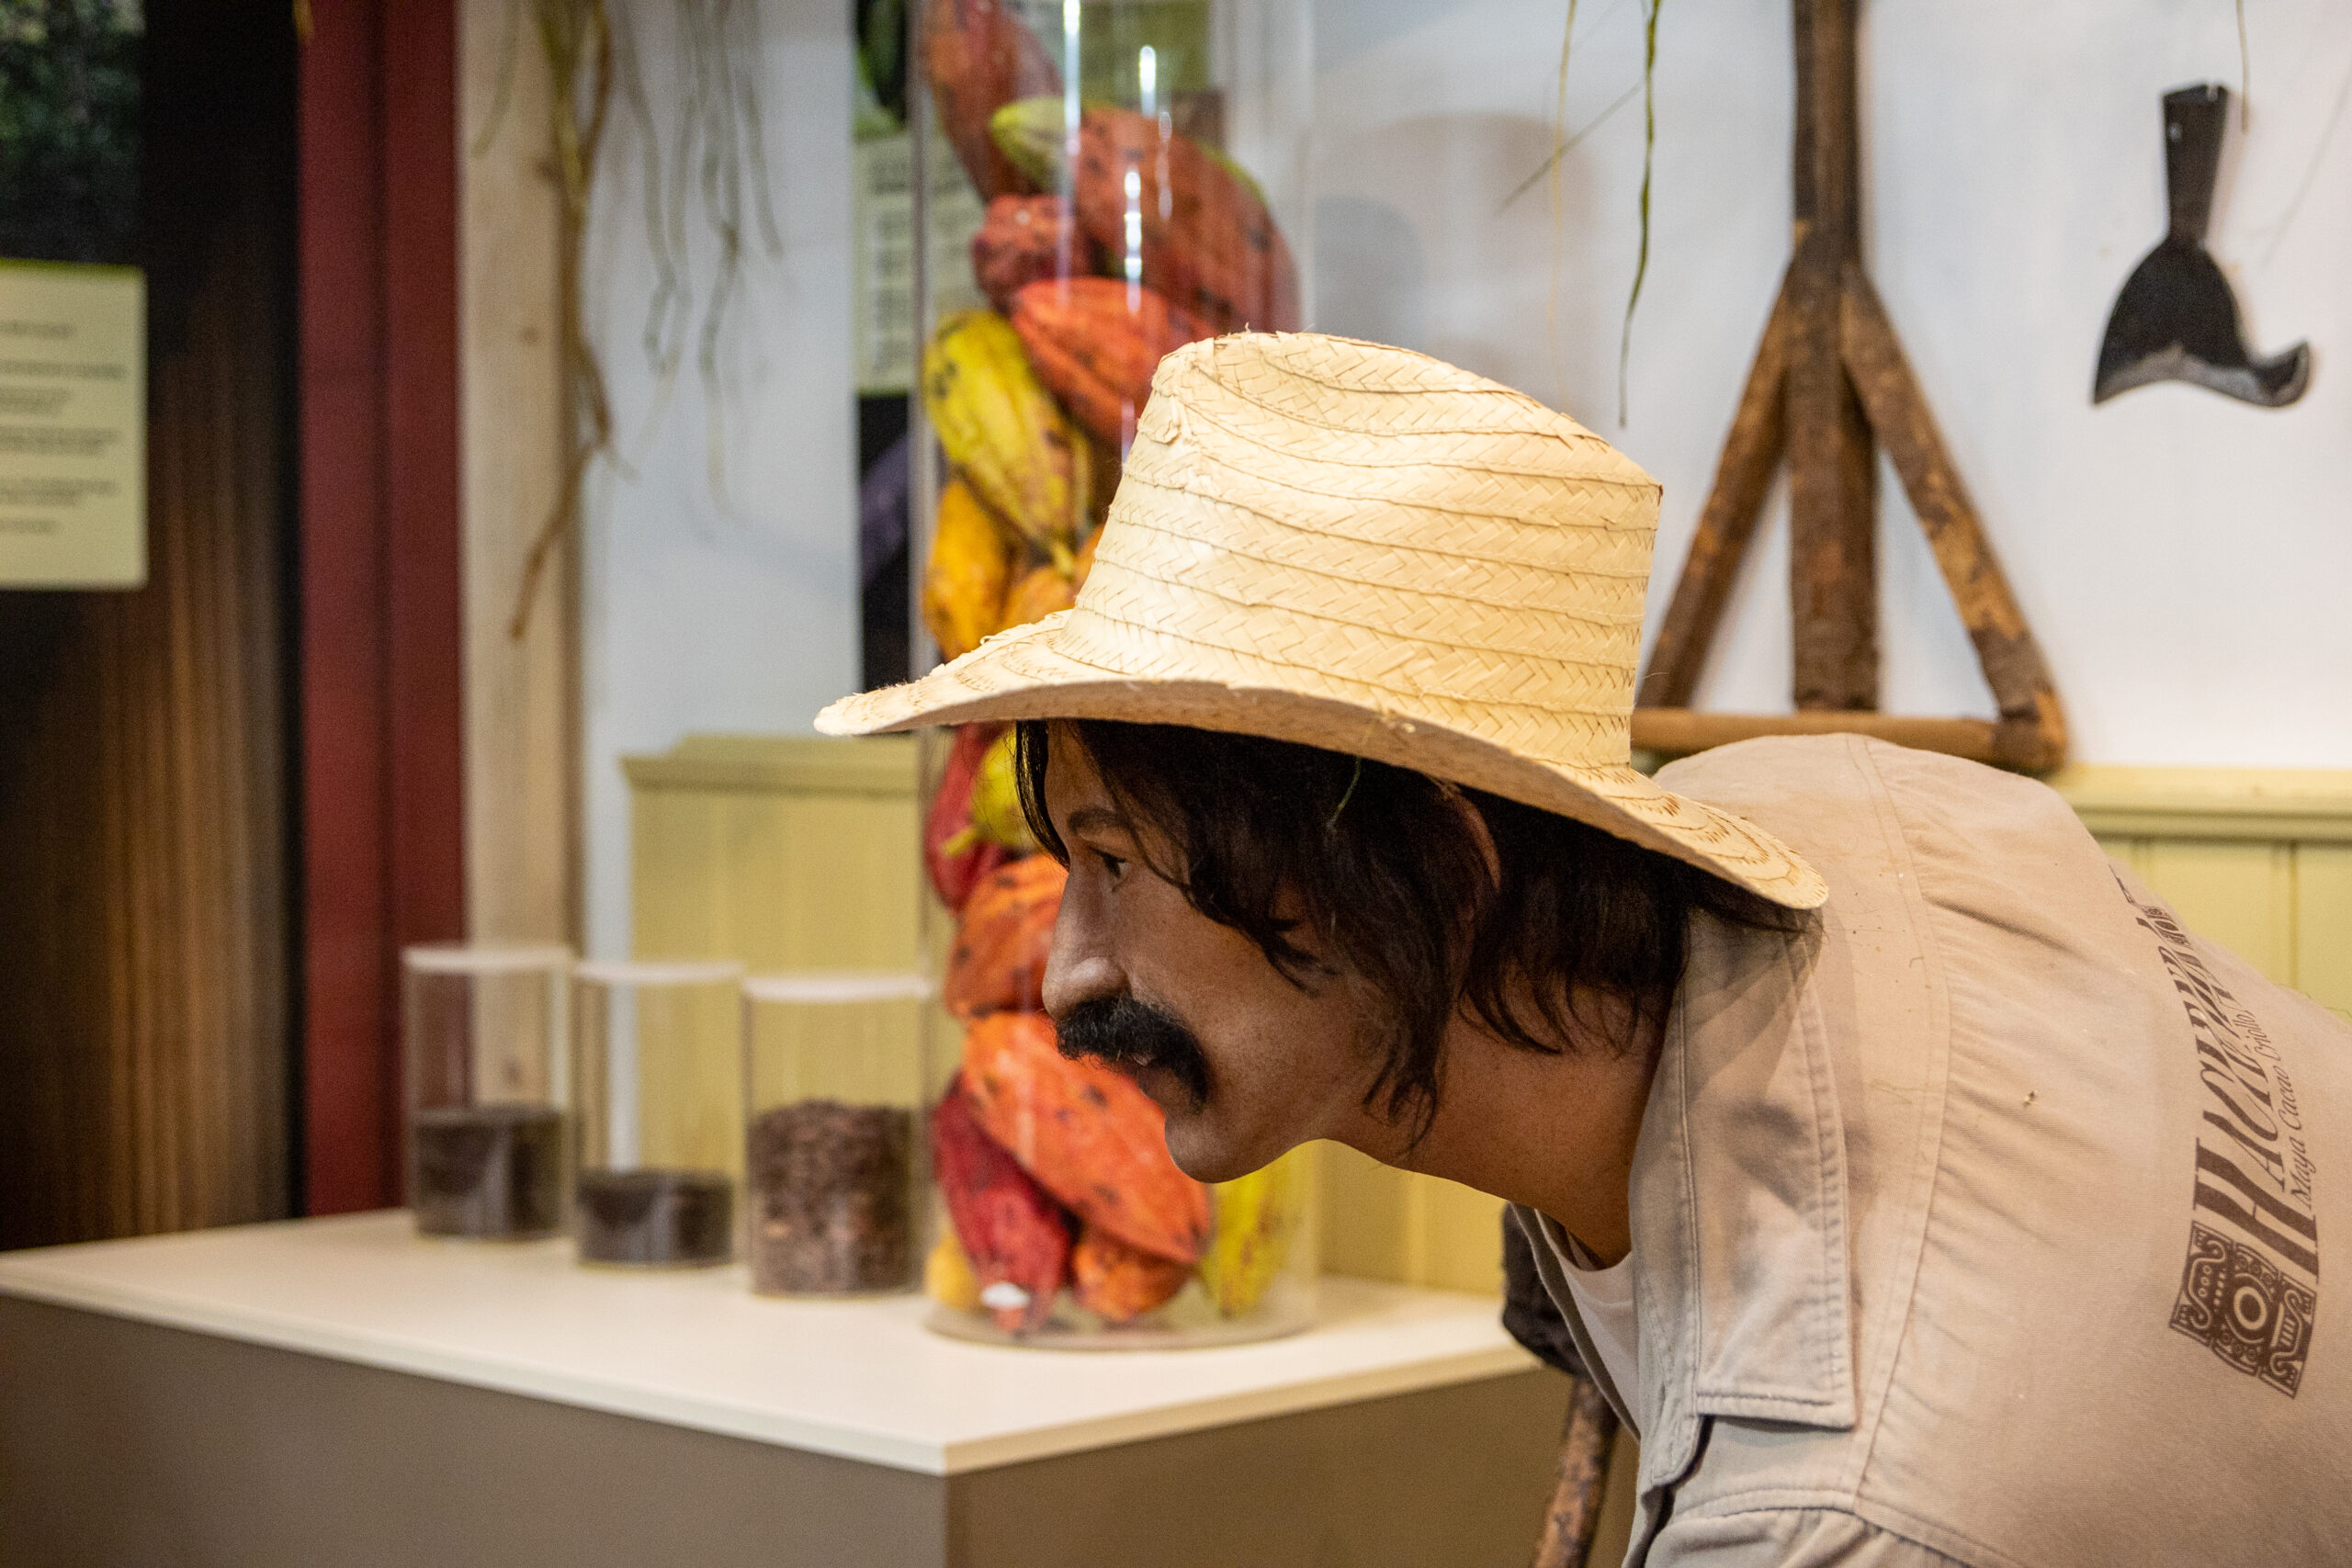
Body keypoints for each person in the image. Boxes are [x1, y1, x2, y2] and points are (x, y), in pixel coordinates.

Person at [820, 333, 2350, 1565]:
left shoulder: (1835, 1509)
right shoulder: (1844, 803)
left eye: (1113, 865)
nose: (1065, 977)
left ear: (1440, 873)